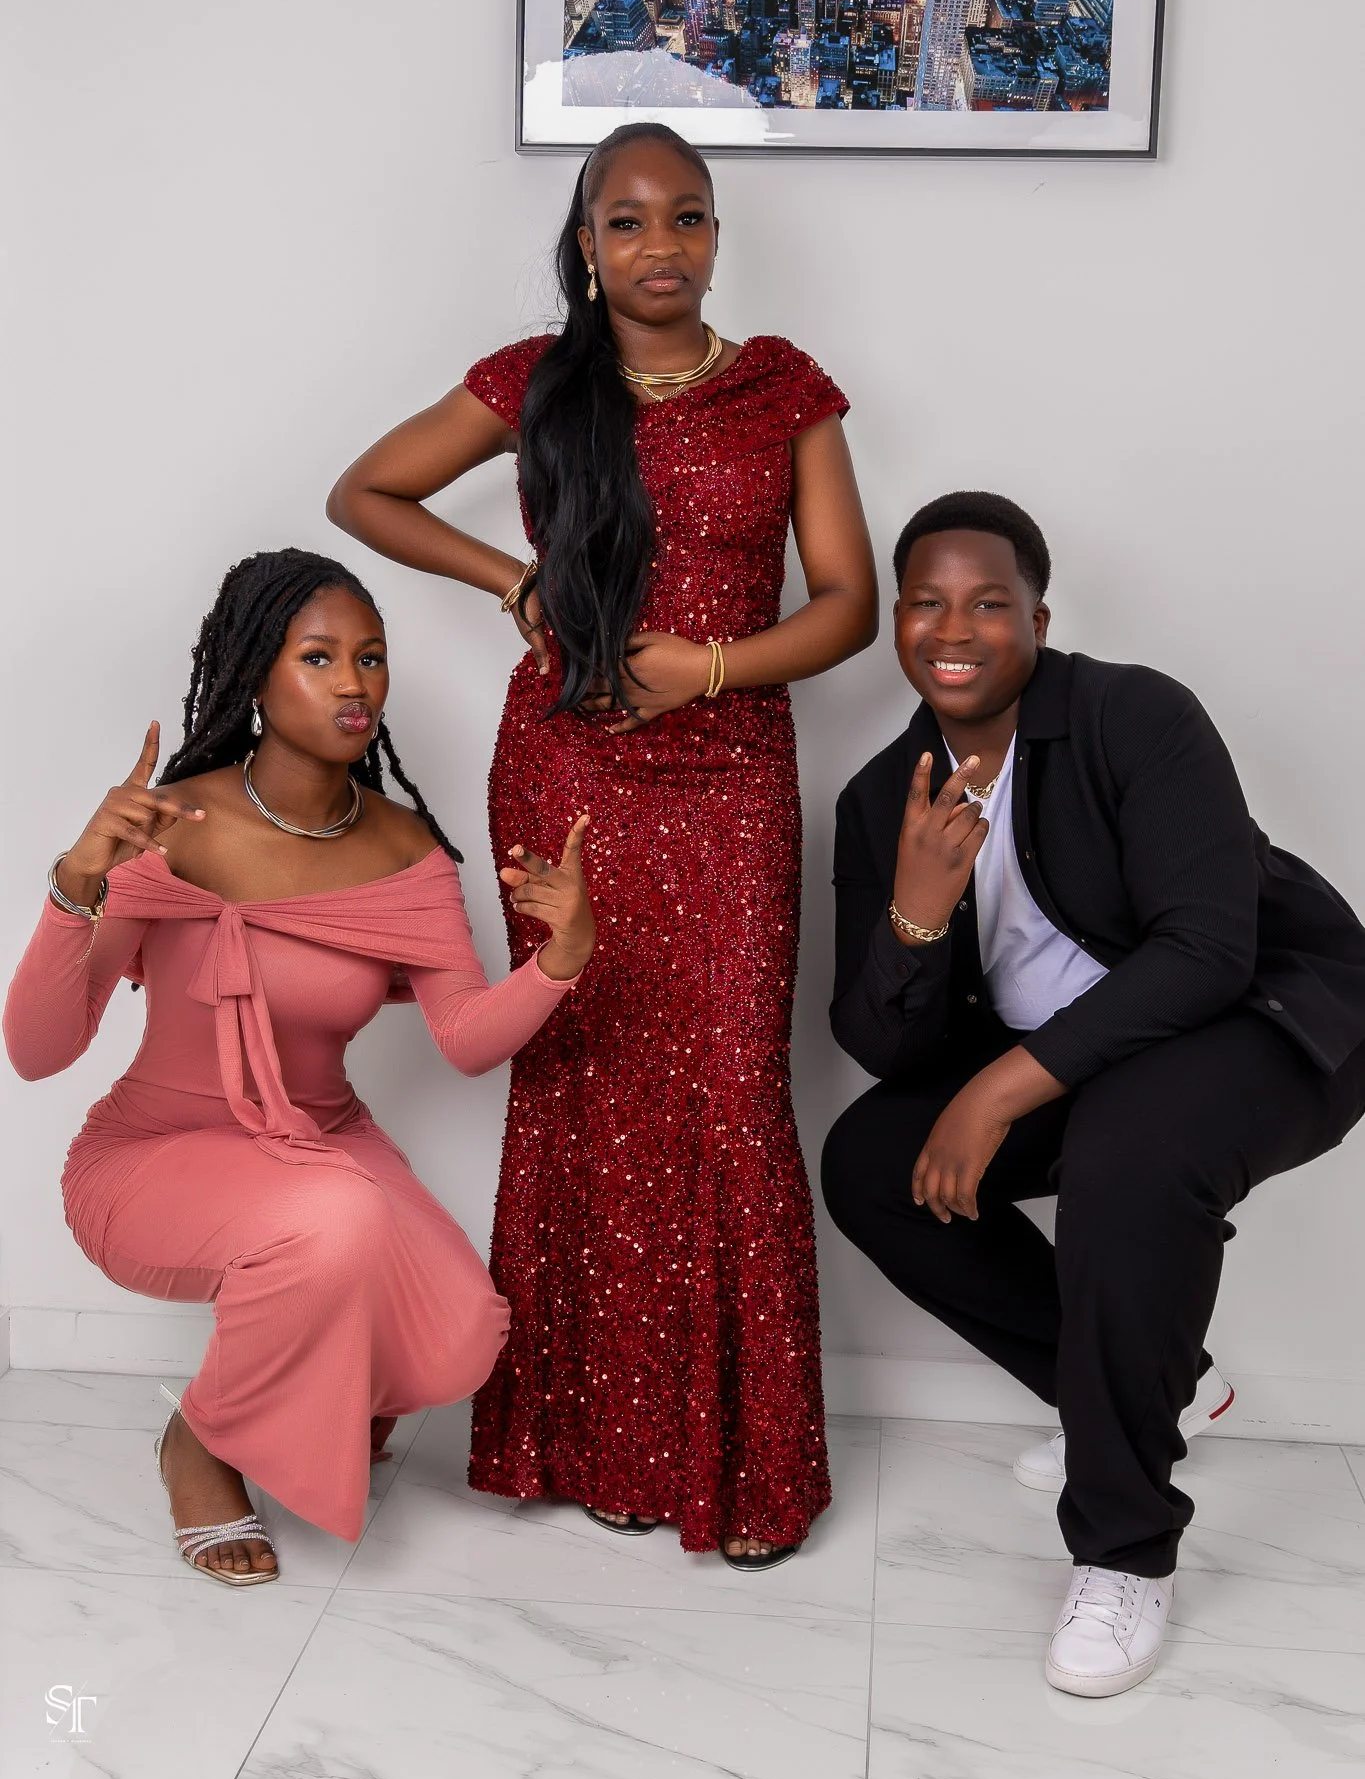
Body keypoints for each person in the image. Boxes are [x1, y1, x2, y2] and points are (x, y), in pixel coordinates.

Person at [327, 121, 877, 1564]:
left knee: (726, 1090)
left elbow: (845, 607)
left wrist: (708, 668)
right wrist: (512, 578)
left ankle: (737, 1469)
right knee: (585, 1088)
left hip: (731, 774)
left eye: (684, 219)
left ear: (716, 236)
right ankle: (602, 1449)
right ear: (586, 244)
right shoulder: (538, 382)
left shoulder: (784, 392)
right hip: (569, 766)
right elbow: (363, 494)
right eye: (625, 222)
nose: (657, 248)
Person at [820, 491, 1365, 1692]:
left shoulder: (1132, 714)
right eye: (927, 600)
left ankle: (1125, 1548)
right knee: (868, 1160)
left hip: (1263, 1022)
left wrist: (999, 1091)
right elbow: (875, 1041)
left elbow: (1208, 946)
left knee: (1126, 1147)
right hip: (1088, 1062)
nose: (954, 626)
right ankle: (1145, 1381)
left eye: (989, 601)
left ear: (1039, 617)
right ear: (898, 622)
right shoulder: (884, 796)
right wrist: (915, 910)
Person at [3, 548, 595, 1585]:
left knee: (462, 1335)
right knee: (336, 1218)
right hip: (156, 1157)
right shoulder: (169, 825)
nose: (354, 681)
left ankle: (317, 1386)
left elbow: (460, 1038)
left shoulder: (408, 849)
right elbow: (37, 1050)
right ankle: (200, 1439)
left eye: (370, 657)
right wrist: (78, 878)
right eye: (318, 657)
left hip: (321, 1147)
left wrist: (562, 960)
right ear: (255, 681)